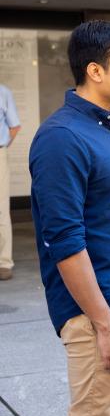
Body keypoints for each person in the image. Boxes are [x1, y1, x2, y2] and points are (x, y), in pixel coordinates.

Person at [29, 20, 110, 416]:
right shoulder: (61, 138)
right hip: (98, 315)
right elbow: (64, 242)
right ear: (96, 70)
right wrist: (105, 327)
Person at [0, 84, 20, 280]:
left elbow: (15, 126)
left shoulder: (3, 92)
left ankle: (3, 263)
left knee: (1, 208)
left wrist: (2, 147)